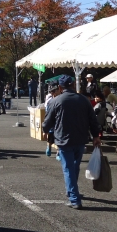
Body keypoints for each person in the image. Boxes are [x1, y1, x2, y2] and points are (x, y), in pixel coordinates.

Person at [42, 75, 101, 209]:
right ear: (74, 85)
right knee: (74, 166)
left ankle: (74, 198)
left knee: (68, 168)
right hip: (80, 138)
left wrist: (45, 129)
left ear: (60, 87)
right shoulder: (84, 100)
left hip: (63, 139)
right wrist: (96, 136)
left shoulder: (56, 101)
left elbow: (48, 121)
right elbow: (93, 119)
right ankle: (72, 191)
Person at [43, 81, 60, 157]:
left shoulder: (61, 98)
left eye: (55, 91)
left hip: (59, 121)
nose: (54, 93)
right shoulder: (49, 100)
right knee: (50, 138)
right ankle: (48, 147)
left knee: (59, 138)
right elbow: (47, 114)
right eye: (53, 92)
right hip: (51, 121)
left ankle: (58, 153)